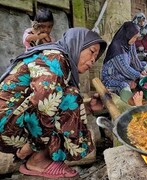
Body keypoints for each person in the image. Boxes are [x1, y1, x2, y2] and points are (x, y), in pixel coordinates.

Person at [0, 27, 107, 178]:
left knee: (66, 95)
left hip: (11, 122)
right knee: (70, 96)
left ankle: (39, 155)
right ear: (77, 44)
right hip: (5, 125)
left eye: (96, 57)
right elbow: (43, 104)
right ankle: (36, 160)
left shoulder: (59, 61)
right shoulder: (55, 58)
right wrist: (29, 148)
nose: (93, 60)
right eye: (91, 51)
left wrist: (88, 107)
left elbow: (52, 103)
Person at [101, 21, 147, 106]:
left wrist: (141, 70)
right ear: (127, 35)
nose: (135, 40)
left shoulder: (130, 43)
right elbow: (125, 69)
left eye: (136, 37)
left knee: (145, 65)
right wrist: (139, 76)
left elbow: (135, 60)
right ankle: (131, 104)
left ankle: (131, 82)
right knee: (123, 85)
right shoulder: (116, 47)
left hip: (123, 75)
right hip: (112, 78)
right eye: (133, 37)